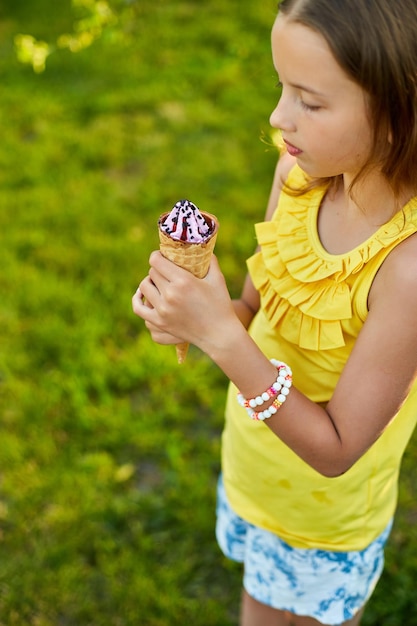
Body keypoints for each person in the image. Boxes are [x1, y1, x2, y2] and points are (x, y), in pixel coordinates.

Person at [132, 0, 417, 624]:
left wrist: (220, 337)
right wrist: (190, 313)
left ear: (399, 113)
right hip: (255, 469)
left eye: (309, 101)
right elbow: (255, 311)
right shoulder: (296, 175)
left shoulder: (407, 269)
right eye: (280, 86)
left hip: (320, 521)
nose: (277, 116)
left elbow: (337, 448)